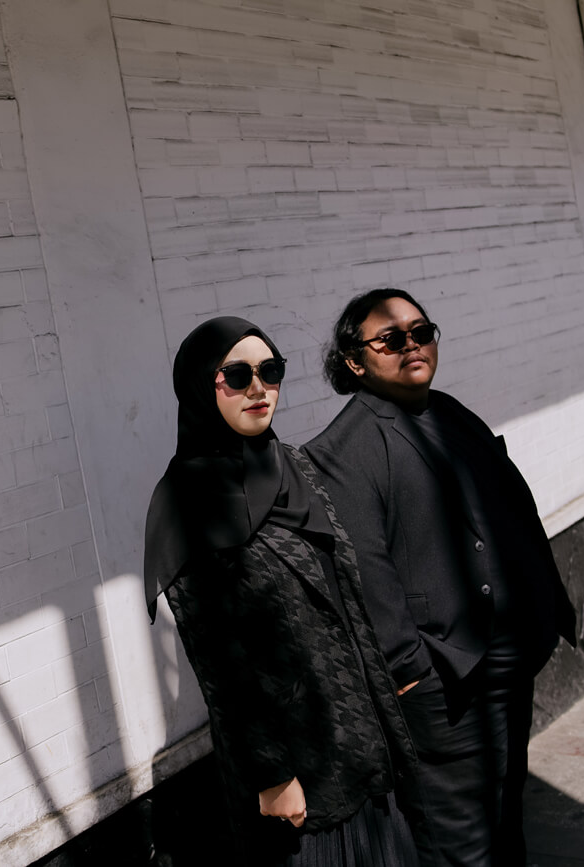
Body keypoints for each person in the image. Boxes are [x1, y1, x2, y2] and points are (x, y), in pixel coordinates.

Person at [144, 315, 431, 866]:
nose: (259, 388)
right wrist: (272, 774)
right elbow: (219, 660)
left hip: (359, 732)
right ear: (201, 387)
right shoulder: (187, 501)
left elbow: (343, 594)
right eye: (237, 375)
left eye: (270, 371)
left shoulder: (292, 465)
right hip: (297, 763)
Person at [303, 289, 577, 866]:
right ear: (355, 361)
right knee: (461, 847)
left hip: (508, 661)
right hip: (446, 685)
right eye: (391, 339)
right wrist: (412, 677)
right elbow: (365, 578)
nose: (412, 345)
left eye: (421, 332)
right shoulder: (344, 448)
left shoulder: (451, 412)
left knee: (506, 823)